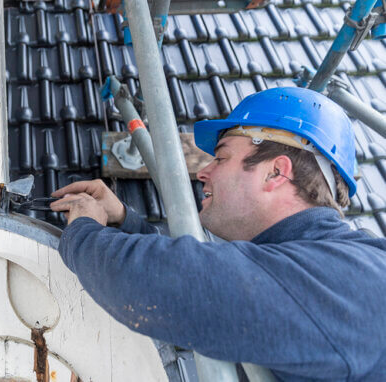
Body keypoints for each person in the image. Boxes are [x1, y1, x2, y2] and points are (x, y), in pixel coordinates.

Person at [50, 87, 386, 380]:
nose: (203, 172)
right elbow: (221, 278)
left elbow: (168, 284)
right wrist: (124, 221)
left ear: (275, 172)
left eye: (221, 157)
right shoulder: (329, 270)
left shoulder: (351, 277)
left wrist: (83, 229)